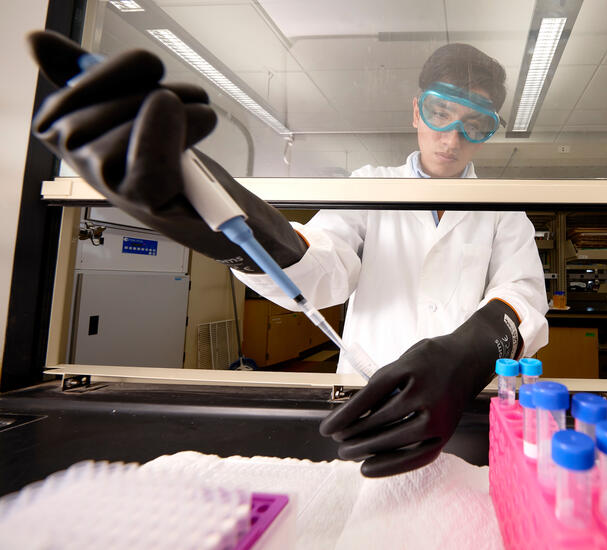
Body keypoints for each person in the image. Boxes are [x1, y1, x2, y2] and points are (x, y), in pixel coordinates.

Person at [28, 32, 547, 478]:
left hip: (472, 406)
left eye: (474, 124)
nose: (452, 138)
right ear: (417, 109)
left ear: (490, 132)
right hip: (365, 401)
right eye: (440, 112)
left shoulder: (502, 211)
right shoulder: (371, 189)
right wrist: (234, 225)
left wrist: (464, 359)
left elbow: (522, 296)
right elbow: (323, 265)